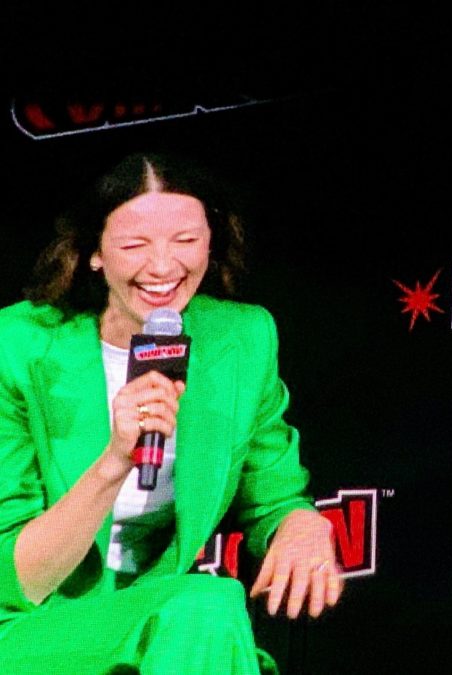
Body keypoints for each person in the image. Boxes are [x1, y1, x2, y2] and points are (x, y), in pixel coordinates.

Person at [0, 151, 343, 674]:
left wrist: (299, 524)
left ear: (211, 242)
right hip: (27, 625)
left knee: (203, 611)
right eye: (134, 245)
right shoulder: (17, 346)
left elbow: (274, 492)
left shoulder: (241, 339)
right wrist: (115, 461)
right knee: (207, 605)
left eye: (185, 240)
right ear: (94, 253)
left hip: (171, 630)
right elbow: (15, 580)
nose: (163, 267)